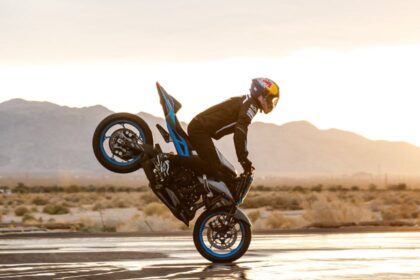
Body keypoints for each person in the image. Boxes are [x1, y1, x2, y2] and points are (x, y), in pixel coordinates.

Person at [183, 77, 280, 186]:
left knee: (223, 169)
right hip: (199, 129)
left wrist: (243, 159)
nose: (271, 104)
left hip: (200, 128)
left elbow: (240, 131)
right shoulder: (251, 105)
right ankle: (169, 160)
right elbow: (240, 132)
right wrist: (243, 160)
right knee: (213, 166)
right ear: (261, 94)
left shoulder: (247, 101)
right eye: (270, 99)